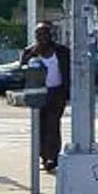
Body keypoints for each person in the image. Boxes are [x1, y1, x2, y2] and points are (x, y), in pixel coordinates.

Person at [27, 21, 68, 176]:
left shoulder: (61, 51)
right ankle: (43, 156)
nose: (42, 37)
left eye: (45, 33)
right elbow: (22, 70)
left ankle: (52, 158)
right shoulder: (30, 52)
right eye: (39, 34)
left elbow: (68, 70)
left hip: (56, 93)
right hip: (38, 94)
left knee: (52, 125)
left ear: (50, 35)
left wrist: (67, 92)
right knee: (39, 127)